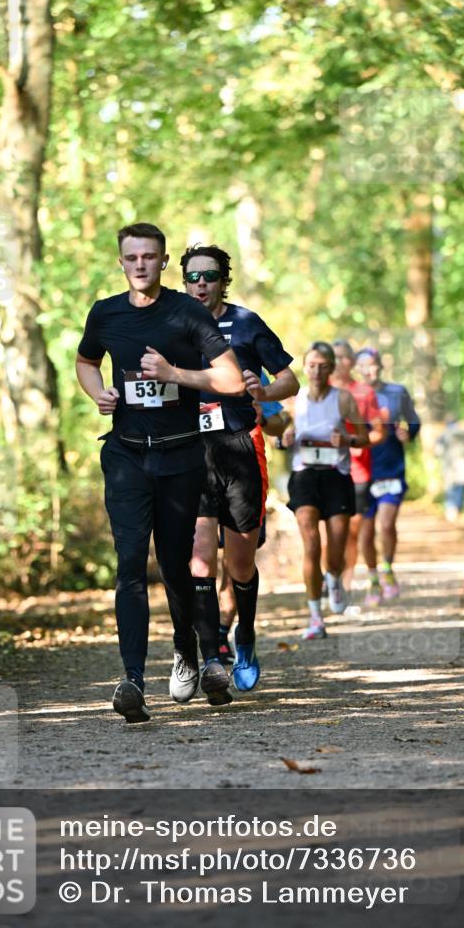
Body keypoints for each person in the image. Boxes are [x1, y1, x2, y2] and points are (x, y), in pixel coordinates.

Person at [75, 223, 244, 723]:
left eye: (150, 257)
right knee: (129, 564)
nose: (141, 265)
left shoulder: (186, 312)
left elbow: (231, 378)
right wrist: (98, 392)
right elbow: (86, 361)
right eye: (132, 258)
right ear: (121, 262)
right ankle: (131, 681)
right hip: (126, 456)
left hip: (180, 457)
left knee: (175, 567)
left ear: (164, 261)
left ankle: (186, 653)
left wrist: (176, 375)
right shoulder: (105, 313)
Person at [182, 244, 299, 691]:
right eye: (193, 277)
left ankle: (245, 634)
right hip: (192, 450)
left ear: (223, 280)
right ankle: (211, 655)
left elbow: (289, 376)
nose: (201, 284)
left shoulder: (246, 323)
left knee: (241, 564)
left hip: (241, 446)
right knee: (198, 557)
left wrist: (265, 392)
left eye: (209, 276)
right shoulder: (175, 324)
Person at [283, 342, 368, 639]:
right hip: (305, 476)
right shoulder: (295, 400)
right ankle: (316, 618)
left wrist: (346, 440)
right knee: (311, 544)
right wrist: (284, 435)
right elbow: (277, 433)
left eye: (323, 366)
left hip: (336, 476)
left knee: (335, 551)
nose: (316, 371)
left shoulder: (343, 399)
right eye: (311, 365)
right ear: (304, 368)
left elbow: (364, 438)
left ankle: (333, 579)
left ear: (332, 368)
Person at [217, 380, 292, 664]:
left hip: (241, 471)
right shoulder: (181, 358)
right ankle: (203, 639)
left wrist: (265, 413)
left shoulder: (246, 364)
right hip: (190, 466)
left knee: (234, 563)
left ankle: (227, 633)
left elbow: (279, 422)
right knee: (195, 560)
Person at [355, 347, 420, 605]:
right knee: (366, 531)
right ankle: (373, 579)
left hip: (392, 467)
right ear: (356, 369)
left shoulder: (396, 392)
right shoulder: (351, 395)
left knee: (385, 524)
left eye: (373, 365)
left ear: (381, 366)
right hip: (363, 471)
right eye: (364, 366)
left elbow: (414, 420)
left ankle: (388, 569)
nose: (369, 370)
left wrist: (409, 432)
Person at [329, 340, 385, 593]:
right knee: (328, 531)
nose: (339, 362)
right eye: (335, 357)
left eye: (344, 357)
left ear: (352, 362)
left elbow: (378, 433)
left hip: (357, 471)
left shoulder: (363, 392)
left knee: (351, 533)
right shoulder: (318, 391)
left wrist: (355, 443)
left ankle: (345, 585)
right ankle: (330, 580)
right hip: (325, 470)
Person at [435, 415, 464, 521]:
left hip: (449, 464)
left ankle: (451, 510)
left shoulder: (443, 434)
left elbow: (438, 451)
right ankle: (457, 509)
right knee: (461, 487)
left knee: (450, 488)